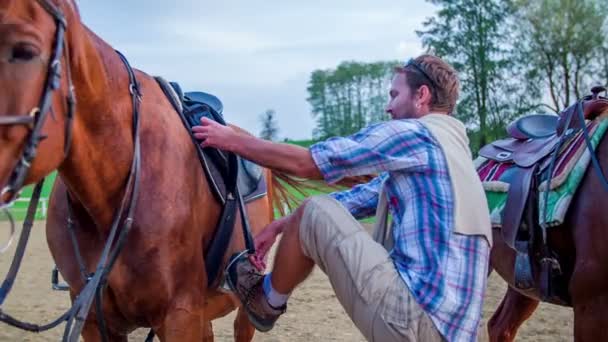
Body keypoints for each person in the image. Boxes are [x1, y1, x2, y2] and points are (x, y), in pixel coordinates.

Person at [192, 54, 492, 342]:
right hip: (461, 332)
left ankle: (265, 301)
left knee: (313, 209)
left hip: (416, 323)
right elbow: (366, 196)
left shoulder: (417, 134)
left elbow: (310, 164)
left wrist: (234, 141)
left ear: (421, 95)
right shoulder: (455, 153)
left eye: (393, 94)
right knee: (311, 214)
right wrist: (281, 225)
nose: (388, 108)